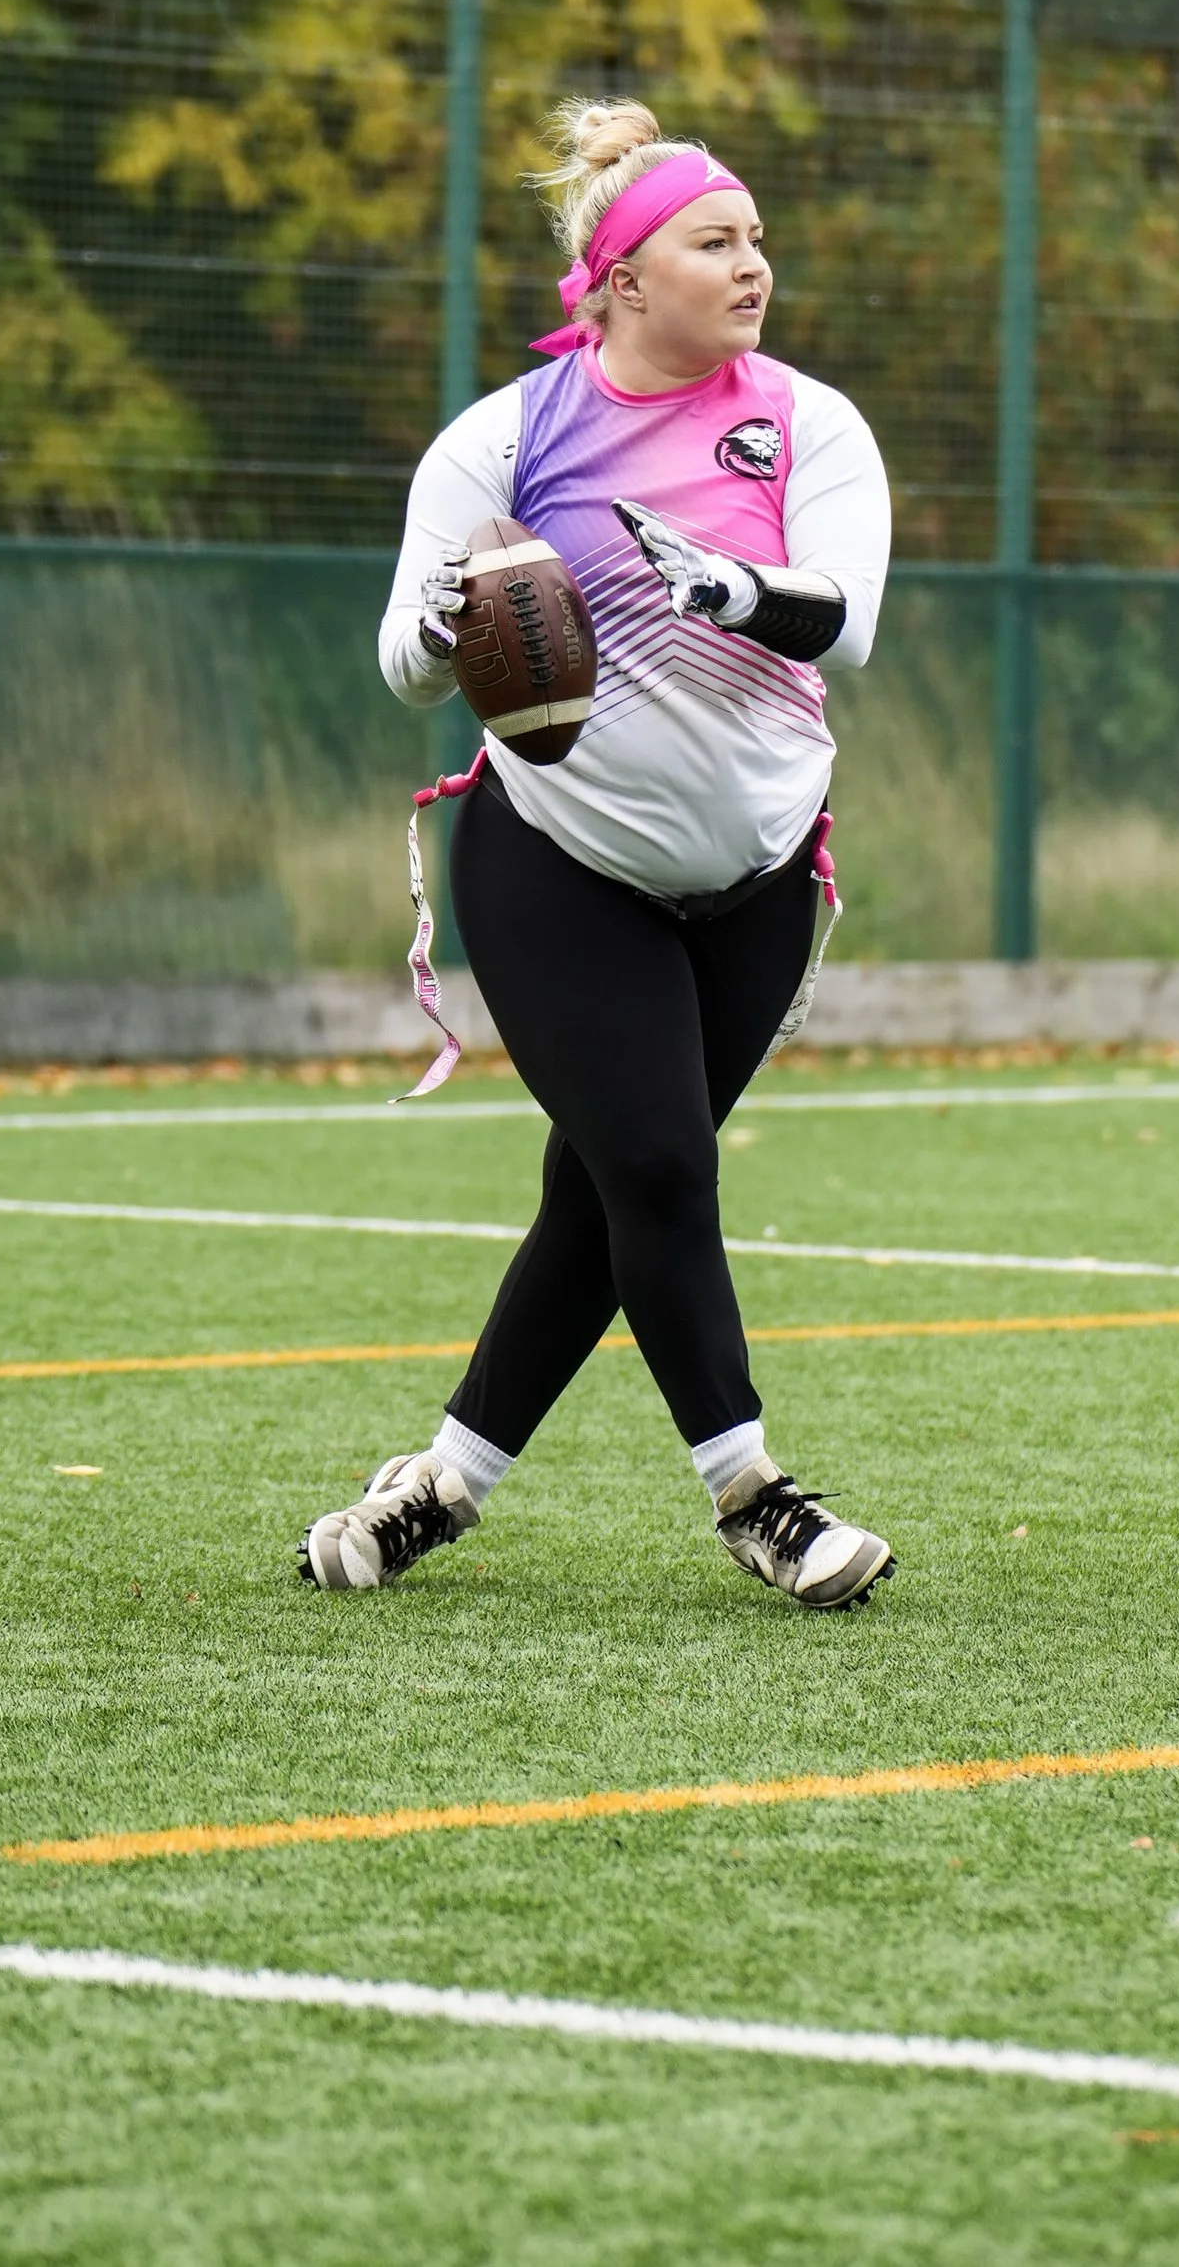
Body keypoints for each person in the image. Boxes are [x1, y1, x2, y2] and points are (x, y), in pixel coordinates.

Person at [299, 99, 896, 1611]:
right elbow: (400, 660)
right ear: (623, 277)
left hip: (759, 876)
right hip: (557, 861)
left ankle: (436, 1486)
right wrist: (442, 622)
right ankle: (758, 1497)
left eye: (756, 235)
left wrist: (736, 589)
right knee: (655, 1159)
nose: (754, 262)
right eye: (716, 240)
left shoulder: (809, 421)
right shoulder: (506, 439)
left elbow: (849, 614)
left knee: (608, 1193)